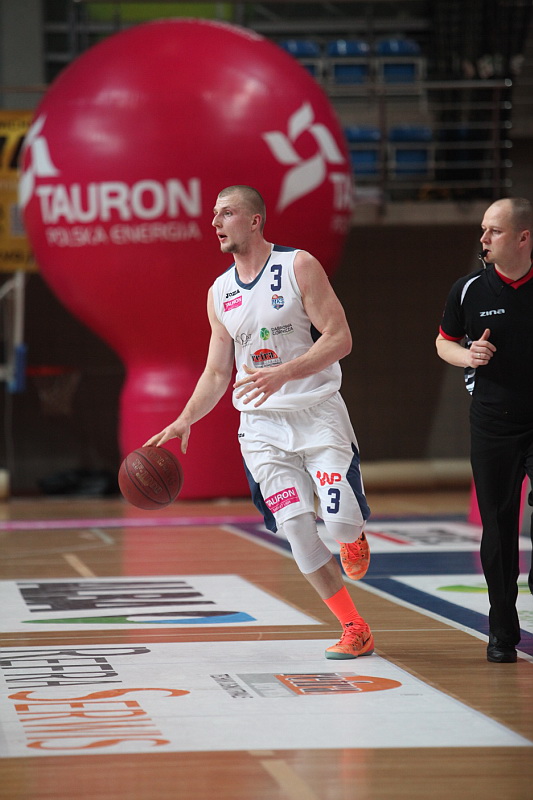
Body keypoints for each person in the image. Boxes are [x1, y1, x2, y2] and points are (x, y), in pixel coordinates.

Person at [145, 184, 373, 659]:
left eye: (226, 213)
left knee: (339, 522)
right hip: (261, 428)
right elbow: (216, 373)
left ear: (255, 220)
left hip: (316, 413)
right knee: (297, 531)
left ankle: (352, 536)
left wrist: (284, 373)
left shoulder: (298, 266)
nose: (215, 222)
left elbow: (340, 338)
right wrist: (185, 418)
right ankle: (354, 627)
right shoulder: (219, 292)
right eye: (214, 214)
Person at [436, 196, 533, 663]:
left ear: (523, 237)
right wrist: (467, 355)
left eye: (494, 230)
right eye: (483, 229)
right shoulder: (469, 289)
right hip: (493, 422)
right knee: (497, 528)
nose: (484, 238)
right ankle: (502, 633)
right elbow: (444, 343)